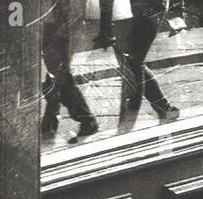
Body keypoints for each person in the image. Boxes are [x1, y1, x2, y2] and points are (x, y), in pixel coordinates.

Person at [98, 0, 183, 123]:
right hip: (130, 13)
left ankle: (130, 118)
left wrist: (176, 15)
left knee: (134, 63)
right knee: (134, 63)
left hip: (145, 12)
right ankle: (164, 108)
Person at [43, 0, 99, 140]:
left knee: (58, 74)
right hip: (51, 26)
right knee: (54, 75)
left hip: (58, 29)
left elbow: (73, 10)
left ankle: (85, 118)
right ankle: (51, 118)